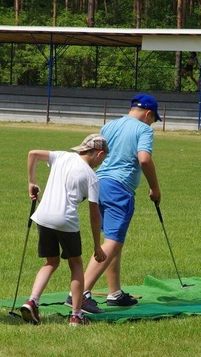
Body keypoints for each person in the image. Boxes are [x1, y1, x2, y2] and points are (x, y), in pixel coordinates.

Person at [71, 94, 162, 314]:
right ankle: (80, 294)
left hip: (99, 184)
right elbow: (144, 159)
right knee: (112, 242)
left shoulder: (109, 126)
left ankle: (115, 293)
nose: (151, 123)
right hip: (119, 189)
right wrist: (155, 188)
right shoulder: (144, 130)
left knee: (114, 241)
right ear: (148, 114)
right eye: (153, 119)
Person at [20, 134, 109, 326]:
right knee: (76, 264)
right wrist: (97, 246)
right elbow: (94, 215)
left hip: (43, 217)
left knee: (51, 262)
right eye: (103, 158)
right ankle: (76, 315)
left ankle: (32, 301)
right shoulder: (92, 177)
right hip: (65, 220)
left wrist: (31, 182)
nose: (101, 162)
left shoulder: (62, 156)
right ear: (99, 154)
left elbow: (32, 153)